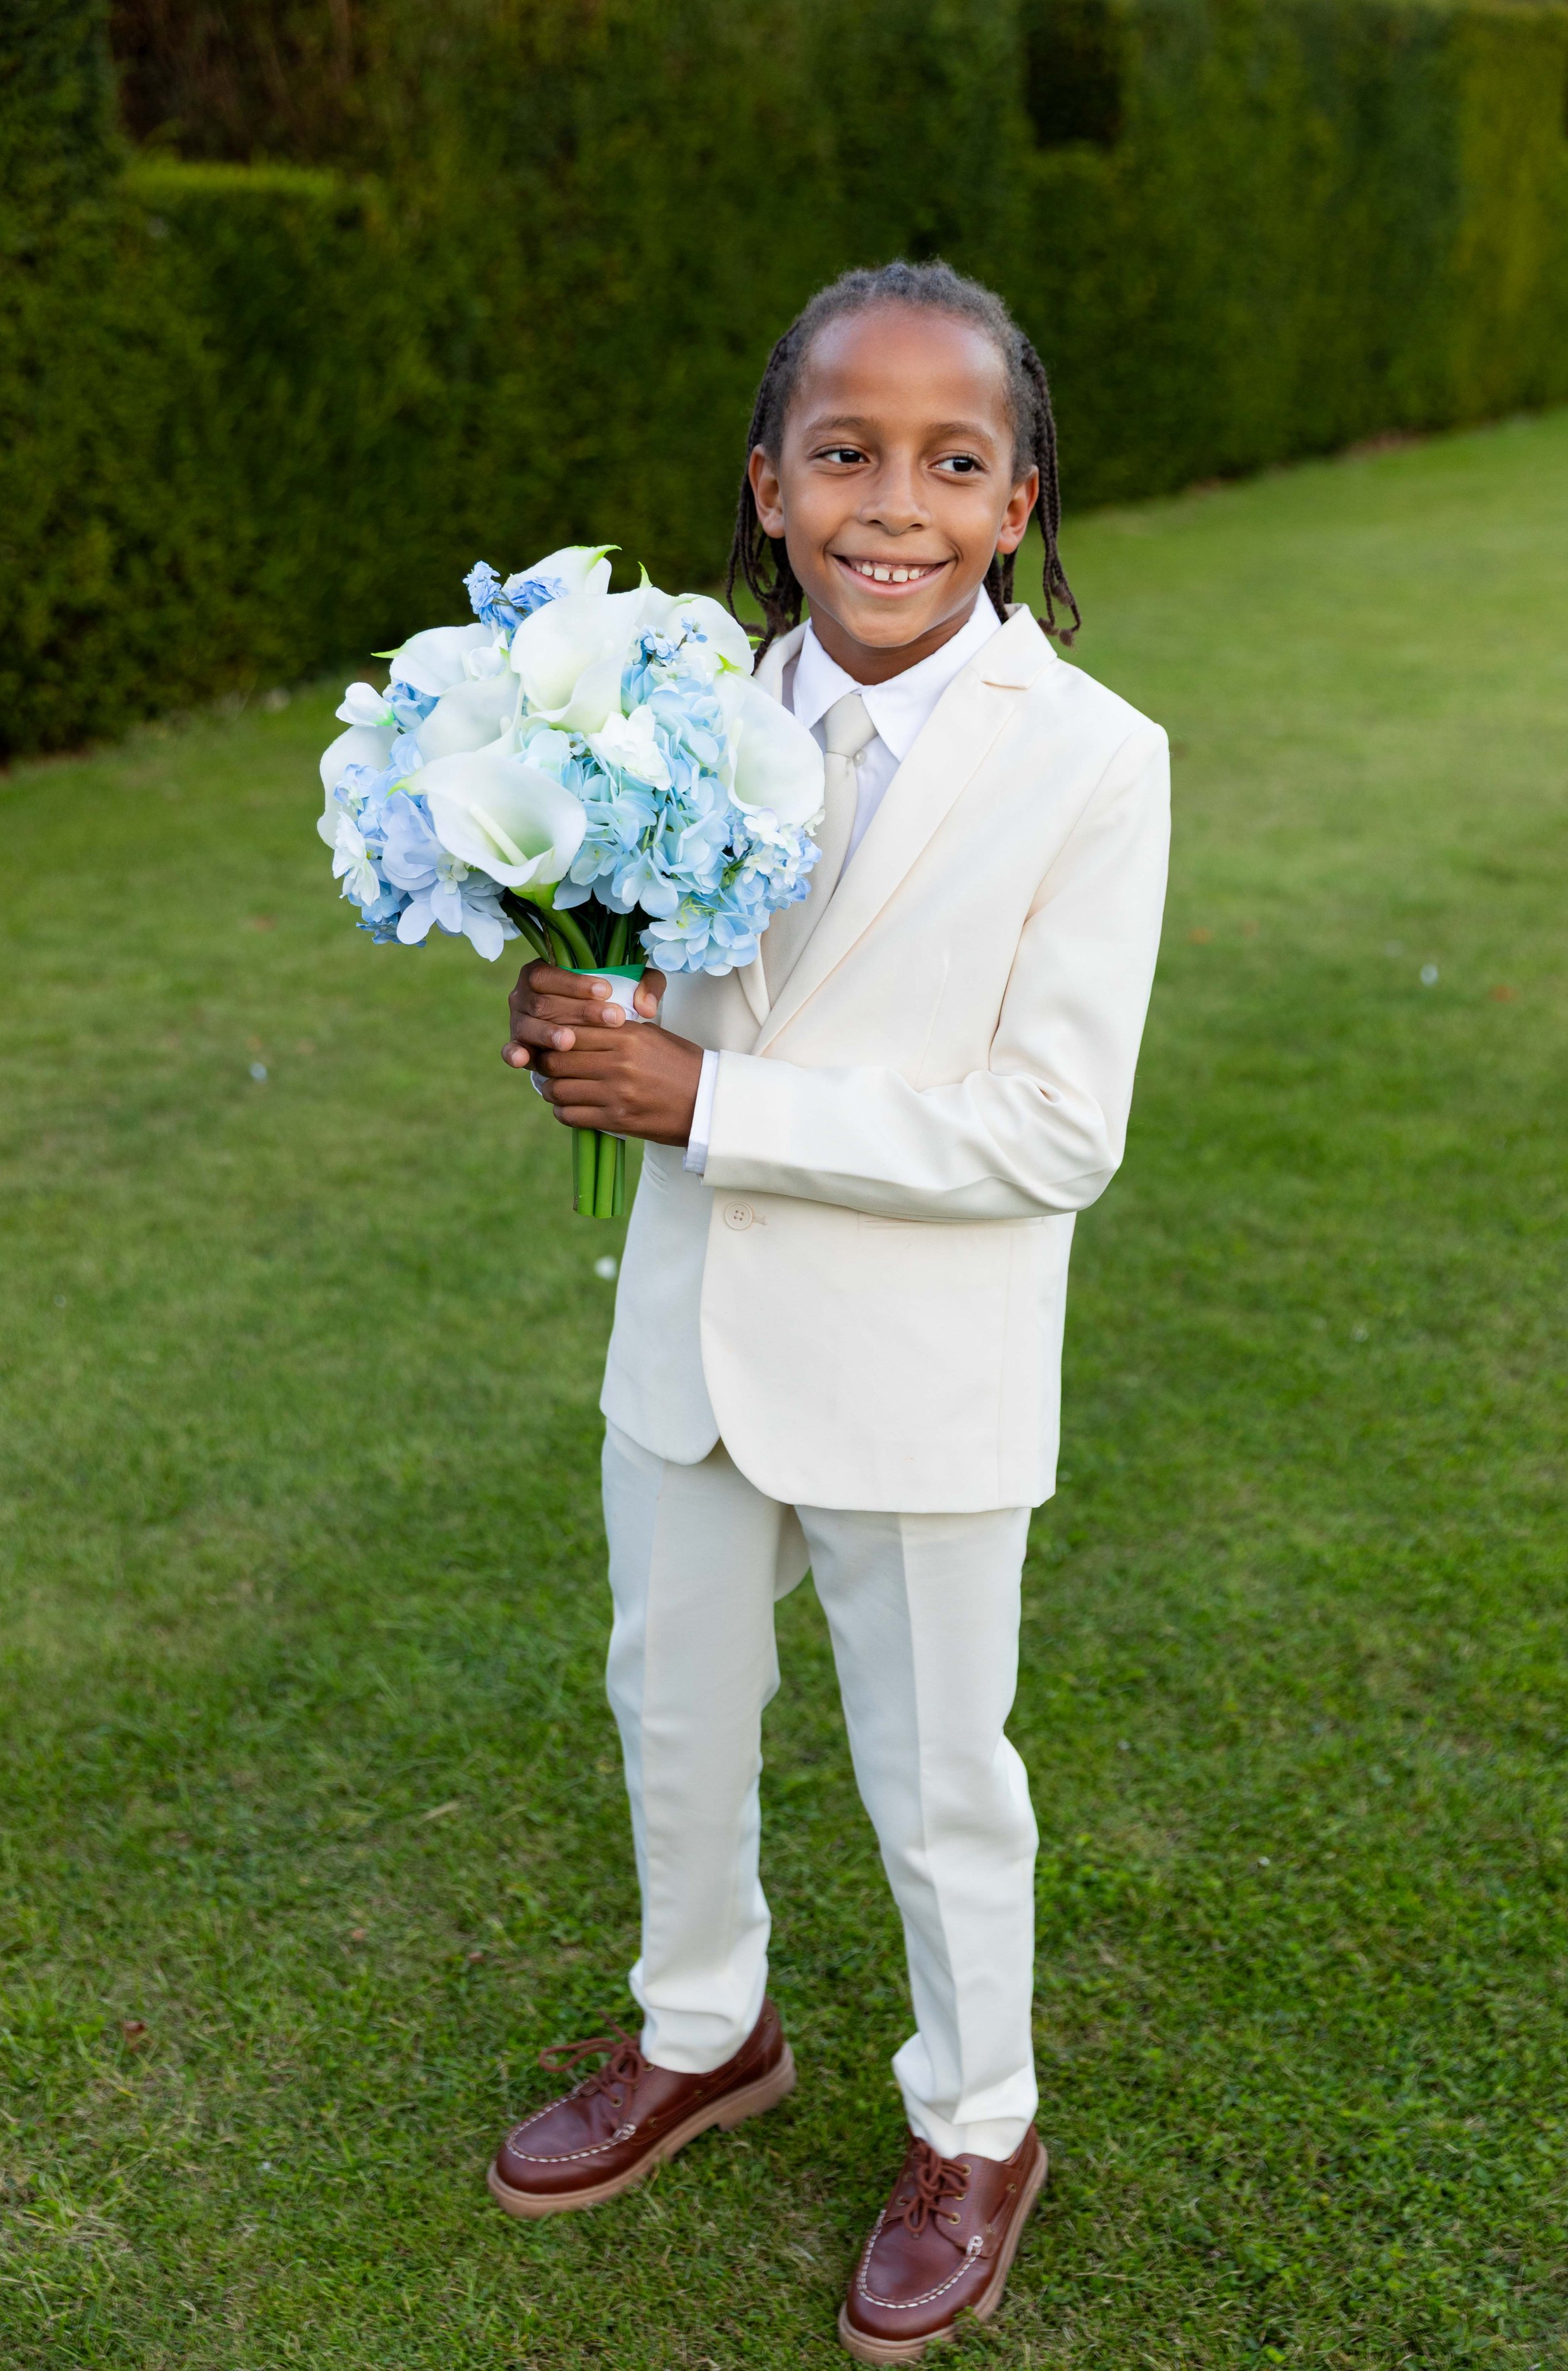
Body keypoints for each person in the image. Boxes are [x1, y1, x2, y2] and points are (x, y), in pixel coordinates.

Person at [492, 259, 1170, 2363]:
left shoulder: (1092, 761)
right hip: (691, 1339)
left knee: (937, 1771)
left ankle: (976, 2125)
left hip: (920, 1371)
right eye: (844, 454)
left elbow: (1053, 1130)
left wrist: (710, 1105)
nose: (894, 505)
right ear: (766, 486)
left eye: (952, 465)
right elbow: (655, 974)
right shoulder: (673, 716)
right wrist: (574, 1002)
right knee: (671, 1705)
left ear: (1017, 504)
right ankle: (704, 2029)